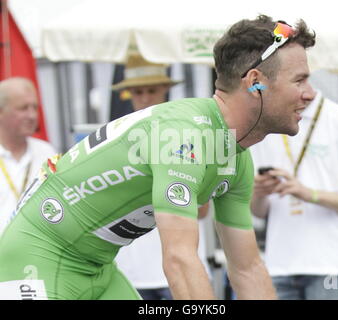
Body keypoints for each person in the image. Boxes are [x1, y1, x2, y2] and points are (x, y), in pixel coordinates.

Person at [0, 14, 315, 300]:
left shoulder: (233, 153)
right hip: (35, 257)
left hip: (96, 269)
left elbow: (247, 269)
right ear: (255, 81)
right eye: (299, 80)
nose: (310, 93)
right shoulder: (182, 137)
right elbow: (180, 260)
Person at [112, 55, 211, 300]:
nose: (144, 97)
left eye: (151, 90)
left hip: (181, 272)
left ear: (165, 89)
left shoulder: (189, 135)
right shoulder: (114, 139)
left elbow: (203, 209)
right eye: (137, 92)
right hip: (131, 273)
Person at [250, 90, 338, 300]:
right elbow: (258, 212)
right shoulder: (266, 126)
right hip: (278, 266)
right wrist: (259, 193)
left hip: (332, 265)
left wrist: (309, 194)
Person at [0, 77, 57, 236]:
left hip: (36, 252)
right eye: (23, 108)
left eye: (35, 107)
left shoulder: (47, 152)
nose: (32, 115)